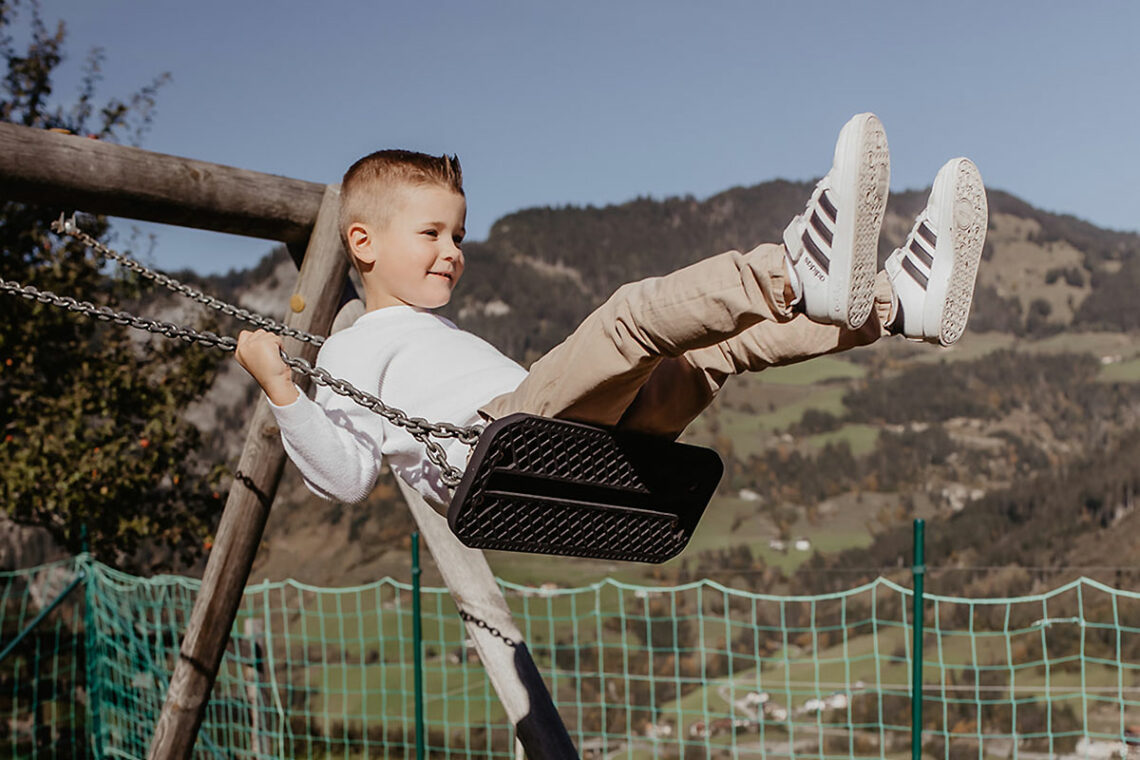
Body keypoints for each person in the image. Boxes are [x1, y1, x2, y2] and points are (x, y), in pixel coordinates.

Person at [235, 113, 988, 507]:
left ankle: (895, 305)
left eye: (458, 234)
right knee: (630, 318)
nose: (453, 251)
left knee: (710, 353)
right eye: (430, 233)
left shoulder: (433, 331)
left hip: (560, 443)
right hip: (505, 445)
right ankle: (793, 267)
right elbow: (344, 479)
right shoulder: (348, 352)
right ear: (360, 242)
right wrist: (280, 388)